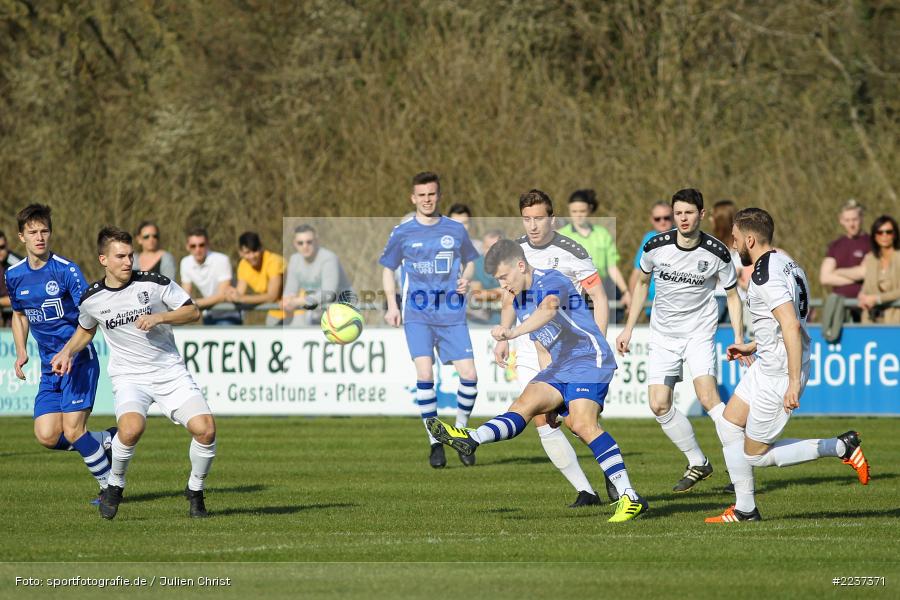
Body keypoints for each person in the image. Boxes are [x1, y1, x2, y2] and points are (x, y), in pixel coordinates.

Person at [428, 239, 648, 522]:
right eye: (498, 280)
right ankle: (473, 438)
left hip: (588, 359)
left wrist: (512, 333)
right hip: (559, 366)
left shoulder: (551, 279)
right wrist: (550, 395)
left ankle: (629, 496)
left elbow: (550, 310)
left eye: (504, 277)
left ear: (521, 266)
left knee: (581, 424)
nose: (503, 285)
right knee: (526, 403)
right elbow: (543, 345)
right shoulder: (519, 298)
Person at [706, 208, 869, 523]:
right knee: (727, 425)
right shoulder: (786, 262)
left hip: (780, 373)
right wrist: (751, 345)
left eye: (736, 238)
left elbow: (792, 326)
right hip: (767, 363)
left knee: (755, 455)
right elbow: (782, 324)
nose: (734, 243)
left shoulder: (764, 275)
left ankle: (840, 447)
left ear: (750, 239)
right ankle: (744, 509)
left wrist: (793, 382)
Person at [51, 226, 217, 520]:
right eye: (120, 256)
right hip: (130, 378)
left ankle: (195, 490)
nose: (128, 262)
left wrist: (160, 316)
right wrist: (67, 352)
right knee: (130, 430)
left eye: (130, 255)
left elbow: (192, 311)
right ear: (104, 259)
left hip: (169, 373)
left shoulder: (153, 284)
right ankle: (115, 485)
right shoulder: (92, 298)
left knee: (205, 430)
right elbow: (85, 329)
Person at [494, 189, 618, 506]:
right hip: (529, 344)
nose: (532, 225)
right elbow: (509, 296)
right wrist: (505, 334)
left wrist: (597, 343)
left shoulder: (572, 251)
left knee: (579, 423)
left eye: (539, 218)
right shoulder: (515, 250)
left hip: (572, 350)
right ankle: (585, 491)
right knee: (540, 418)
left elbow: (600, 299)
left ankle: (612, 469)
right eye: (527, 219)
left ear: (553, 218)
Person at [616, 188, 743, 493]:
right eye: (678, 213)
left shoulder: (717, 252)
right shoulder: (655, 246)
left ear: (702, 214)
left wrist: (739, 337)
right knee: (659, 405)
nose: (683, 219)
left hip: (699, 331)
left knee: (708, 397)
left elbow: (733, 295)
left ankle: (741, 469)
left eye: (689, 213)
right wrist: (629, 328)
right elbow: (642, 284)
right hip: (663, 334)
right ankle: (698, 461)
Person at [5, 204, 114, 501]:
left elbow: (89, 318)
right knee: (47, 435)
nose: (40, 237)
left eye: (44, 231)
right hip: (49, 366)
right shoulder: (14, 276)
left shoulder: (66, 270)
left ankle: (110, 488)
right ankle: (107, 440)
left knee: (74, 430)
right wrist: (20, 351)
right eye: (33, 232)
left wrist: (69, 351)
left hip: (77, 360)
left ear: (51, 233)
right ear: (21, 237)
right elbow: (18, 315)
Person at [379, 172, 480, 468]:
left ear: (439, 196)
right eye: (421, 195)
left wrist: (466, 278)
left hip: (451, 313)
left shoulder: (455, 229)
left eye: (431, 194)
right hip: (417, 314)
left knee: (470, 376)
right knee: (425, 375)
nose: (427, 199)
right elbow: (388, 268)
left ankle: (460, 433)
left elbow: (471, 260)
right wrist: (391, 304)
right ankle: (435, 442)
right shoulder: (402, 232)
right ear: (413, 198)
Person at [558, 189, 631, 319]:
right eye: (574, 211)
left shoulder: (602, 234)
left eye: (582, 211)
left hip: (599, 293)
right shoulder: (562, 235)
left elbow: (612, 267)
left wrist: (625, 291)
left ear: (590, 209)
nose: (578, 215)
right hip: (571, 297)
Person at [282, 224, 355, 325]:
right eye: (300, 243)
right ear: (294, 244)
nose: (305, 246)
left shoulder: (329, 258)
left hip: (343, 308)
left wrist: (297, 301)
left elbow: (328, 294)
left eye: (309, 242)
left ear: (316, 241)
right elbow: (290, 291)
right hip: (318, 308)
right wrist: (288, 300)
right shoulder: (294, 260)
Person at [179, 227, 241, 326]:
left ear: (208, 244)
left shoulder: (222, 260)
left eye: (201, 245)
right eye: (193, 246)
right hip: (208, 314)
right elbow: (186, 294)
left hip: (230, 314)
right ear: (187, 247)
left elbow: (222, 296)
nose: (197, 249)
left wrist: (195, 303)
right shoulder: (185, 263)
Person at [820, 199, 869, 321]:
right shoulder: (835, 245)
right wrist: (856, 277)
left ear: (861, 218)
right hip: (840, 309)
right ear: (841, 220)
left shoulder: (872, 242)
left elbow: (865, 272)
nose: (851, 224)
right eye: (847, 220)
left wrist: (837, 271)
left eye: (854, 219)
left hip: (865, 307)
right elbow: (824, 278)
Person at [226, 231, 285, 326]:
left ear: (261, 248)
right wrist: (231, 294)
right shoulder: (243, 265)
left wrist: (242, 298)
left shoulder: (273, 261)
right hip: (276, 311)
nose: (252, 256)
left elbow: (272, 296)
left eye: (255, 251)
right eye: (247, 252)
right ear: (240, 253)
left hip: (298, 308)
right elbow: (239, 293)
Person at [629, 201, 674, 319]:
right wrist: (632, 302)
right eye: (657, 219)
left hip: (677, 306)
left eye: (666, 218)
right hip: (653, 307)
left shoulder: (683, 237)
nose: (662, 222)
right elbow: (636, 273)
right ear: (651, 220)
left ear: (673, 217)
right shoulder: (648, 239)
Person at [851, 216, 900, 324]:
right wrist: (862, 295)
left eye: (889, 232)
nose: (884, 235)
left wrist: (877, 298)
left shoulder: (898, 258)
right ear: (874, 235)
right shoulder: (871, 258)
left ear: (895, 234)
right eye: (880, 232)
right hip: (871, 320)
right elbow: (867, 286)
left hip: (895, 321)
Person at [709, 200, 750, 323]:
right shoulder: (710, 246)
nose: (710, 219)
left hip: (738, 301)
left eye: (713, 216)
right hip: (715, 300)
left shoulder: (744, 246)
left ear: (721, 220)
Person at [468, 229, 504, 324]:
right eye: (487, 247)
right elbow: (478, 295)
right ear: (483, 247)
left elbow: (515, 294)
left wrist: (488, 294)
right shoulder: (475, 264)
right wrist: (500, 292)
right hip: (481, 318)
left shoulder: (512, 263)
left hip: (509, 315)